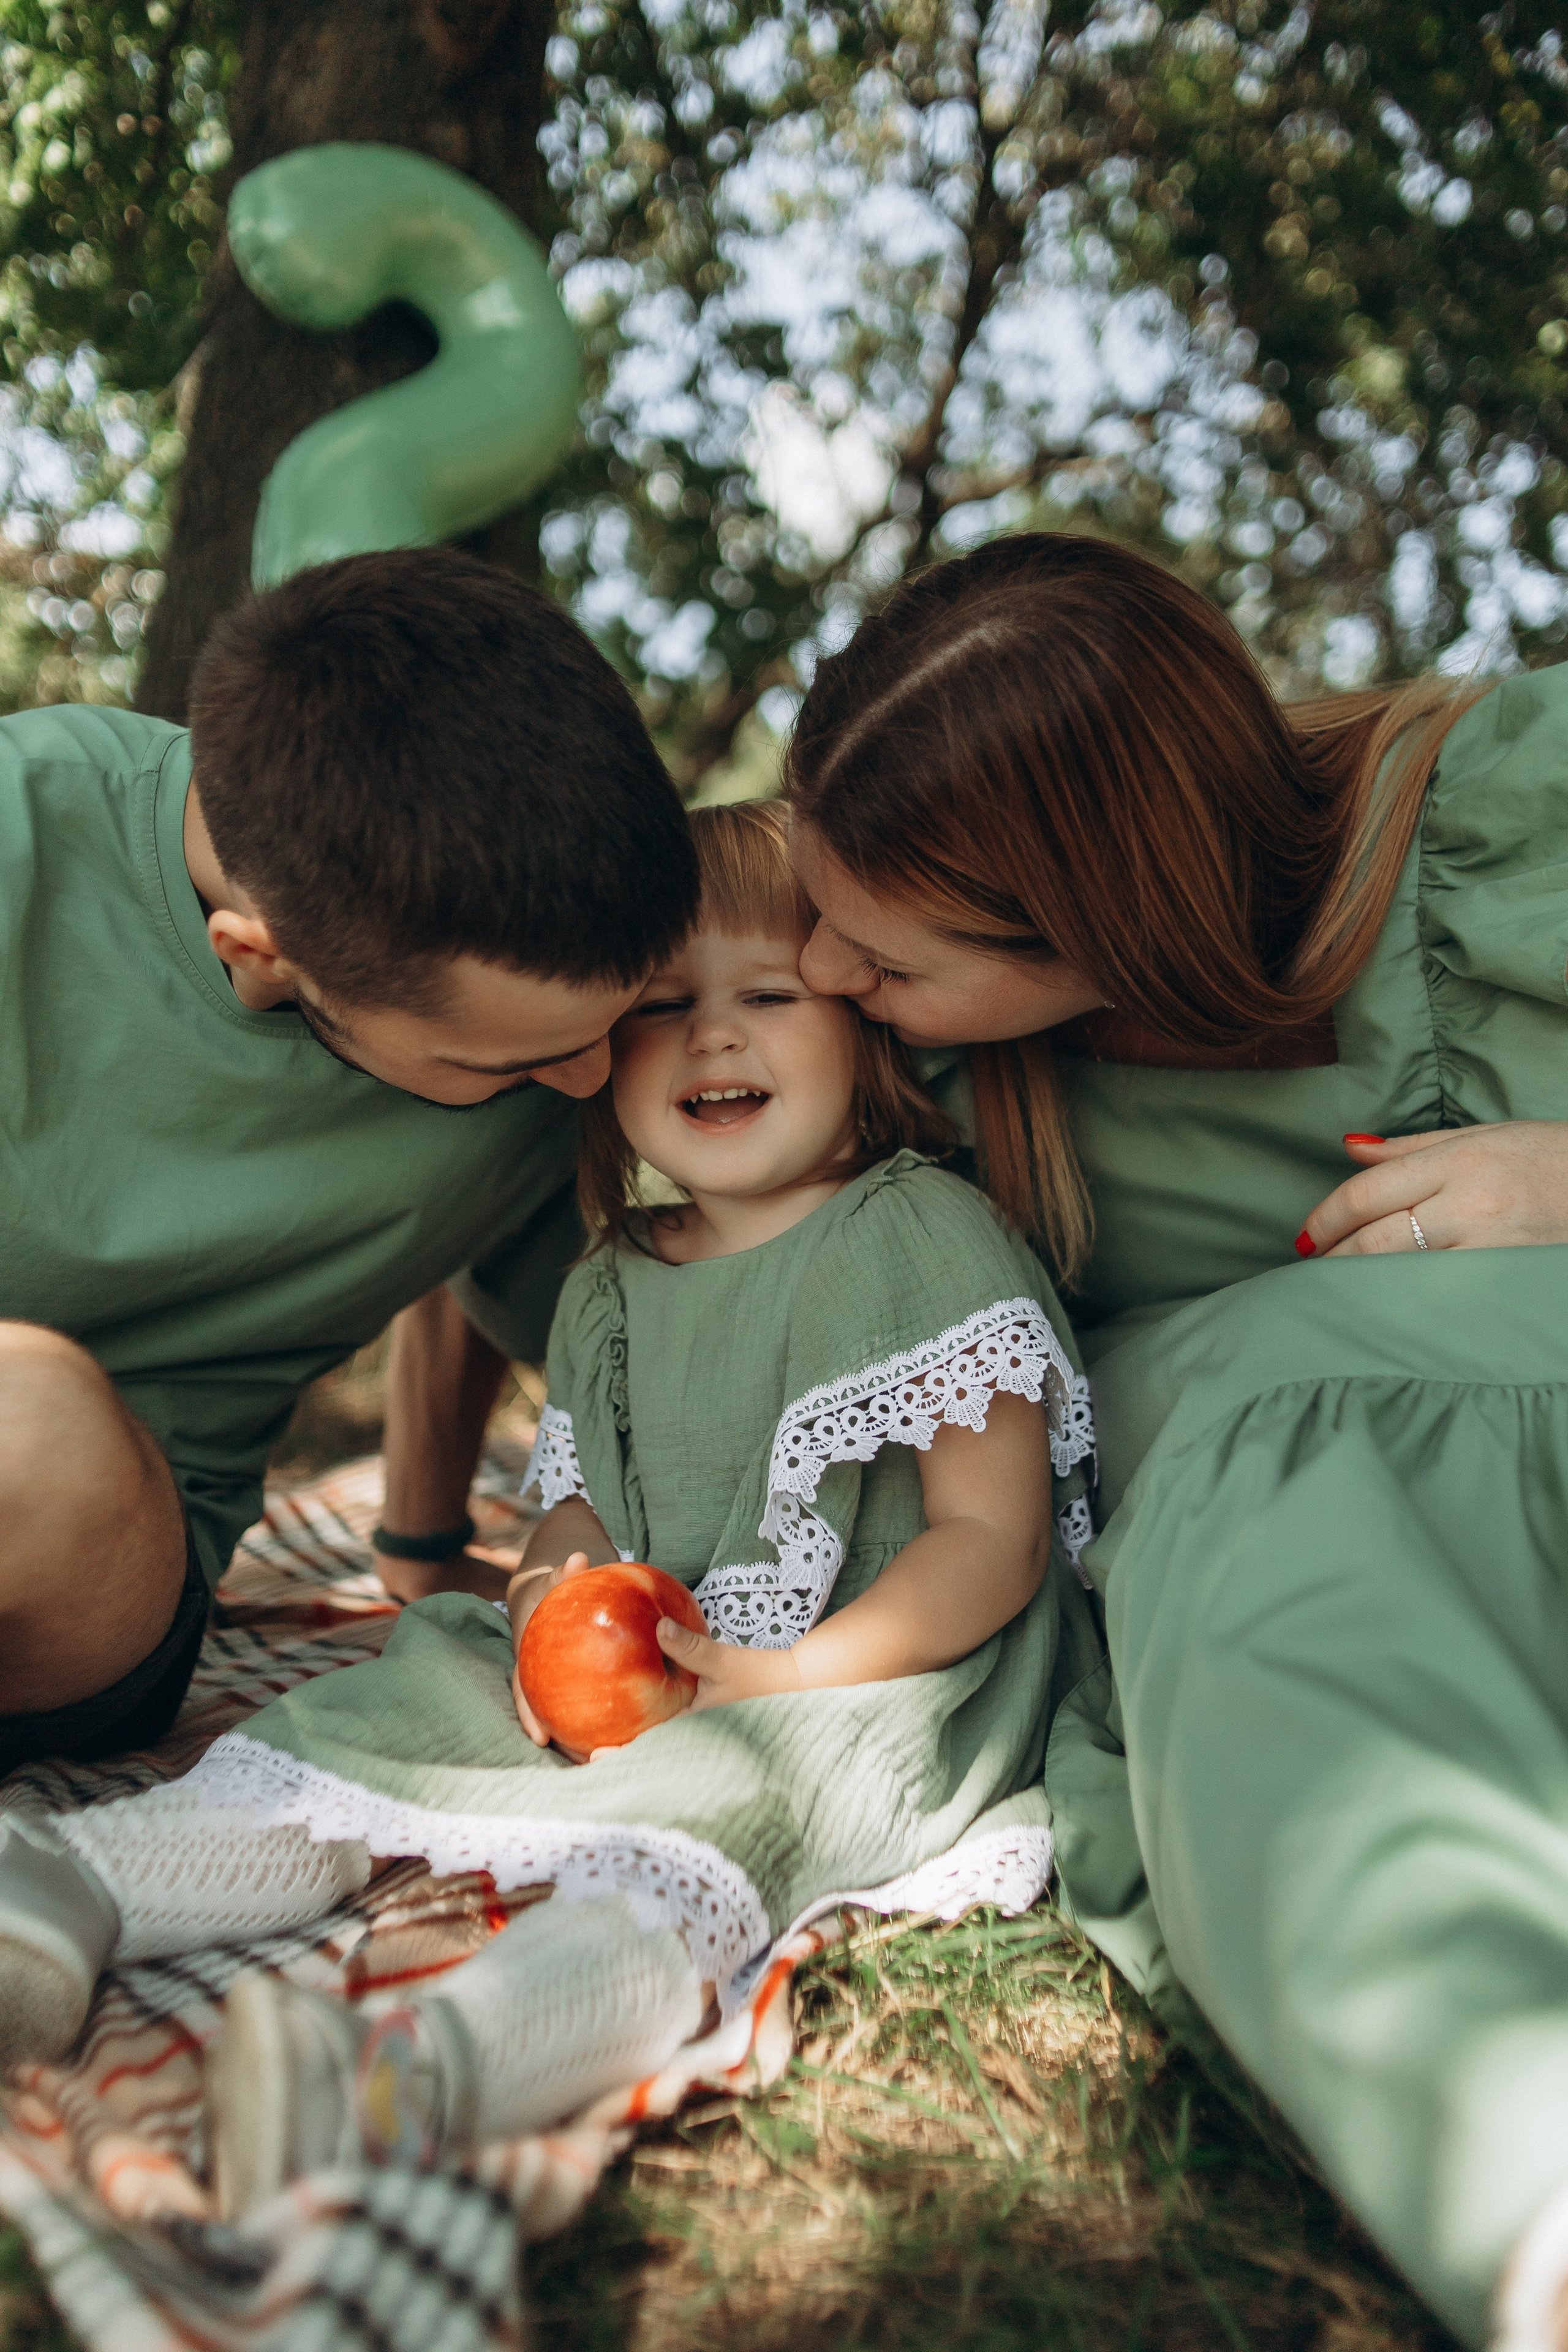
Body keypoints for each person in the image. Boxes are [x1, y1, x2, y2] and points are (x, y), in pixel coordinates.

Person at [0, 802, 1098, 2218]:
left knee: (724, 1821)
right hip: (662, 1656)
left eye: (767, 995)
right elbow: (573, 1513)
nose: (713, 1039)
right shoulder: (615, 1280)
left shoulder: (918, 1232)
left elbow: (989, 1546)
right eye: (661, 1008)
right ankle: (80, 1882)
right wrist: (541, 1607)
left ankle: (415, 2071)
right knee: (413, 1688)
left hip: (871, 1669)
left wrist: (772, 1677)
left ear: (866, 1028)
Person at [783, 528, 1568, 2351]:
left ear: (1103, 930)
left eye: (884, 953)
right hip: (1309, 1545)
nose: (819, 966)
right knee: (1277, 1570)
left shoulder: (1507, 815)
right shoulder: (949, 1105)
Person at [0, 545, 699, 1775]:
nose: (595, 1082)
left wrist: (425, 1537)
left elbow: (568, 1330)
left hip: (88, 1589)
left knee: (28, 1423)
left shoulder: (560, 1059)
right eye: (504, 1067)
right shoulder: (27, 831)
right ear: (260, 957)